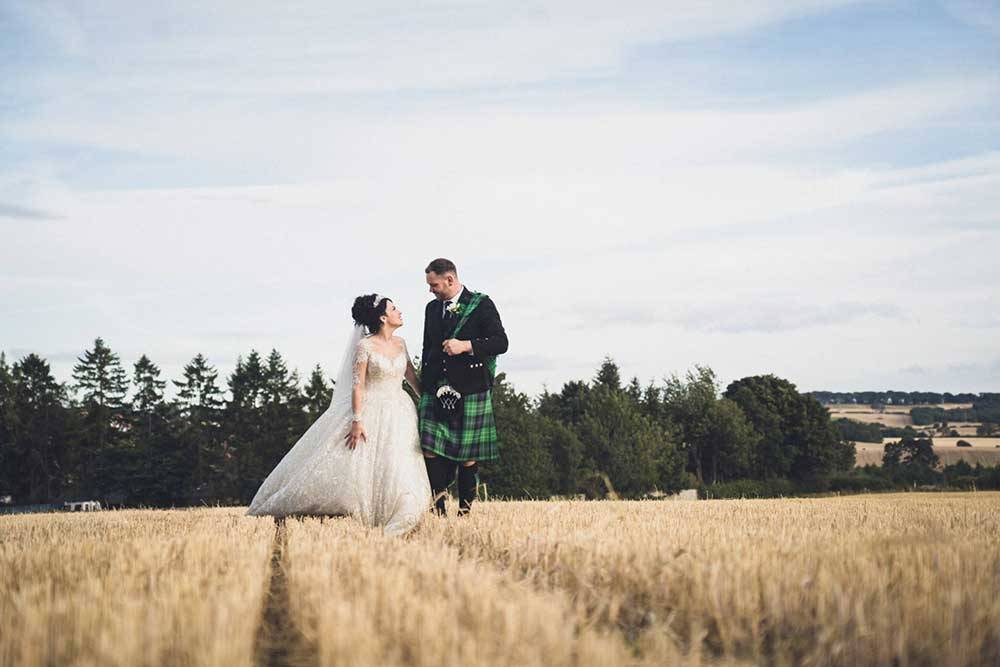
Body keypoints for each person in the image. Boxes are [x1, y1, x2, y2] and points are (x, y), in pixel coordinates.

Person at [247, 294, 431, 536]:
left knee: (400, 461)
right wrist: (357, 420)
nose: (400, 311)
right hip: (371, 408)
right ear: (383, 317)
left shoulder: (401, 344)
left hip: (401, 410)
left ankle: (403, 510)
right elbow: (358, 385)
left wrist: (426, 402)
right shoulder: (365, 346)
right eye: (394, 308)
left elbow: (411, 377)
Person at [419, 258, 509, 515]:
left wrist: (466, 345)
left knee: (468, 455)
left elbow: (501, 342)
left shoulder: (481, 304)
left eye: (434, 284)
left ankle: (465, 512)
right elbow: (428, 349)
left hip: (471, 387)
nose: (431, 290)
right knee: (429, 448)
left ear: (450, 279)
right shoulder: (431, 309)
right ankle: (438, 509)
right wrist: (426, 386)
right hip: (436, 387)